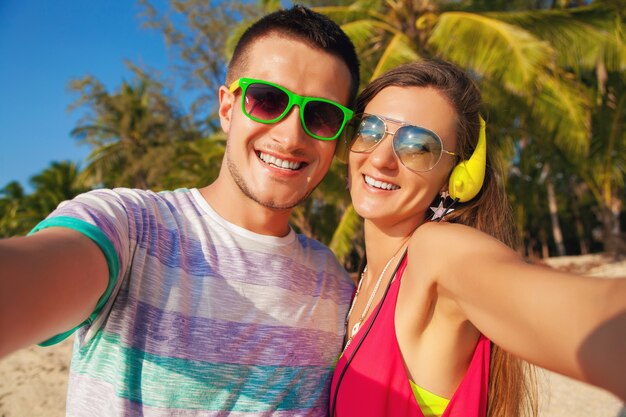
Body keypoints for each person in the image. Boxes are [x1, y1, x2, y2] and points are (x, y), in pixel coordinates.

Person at [0, 6, 359, 416]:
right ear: (228, 108)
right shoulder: (132, 228)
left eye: (321, 115)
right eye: (268, 100)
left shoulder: (336, 288)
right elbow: (32, 275)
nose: (291, 134)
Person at [329, 60, 626, 417]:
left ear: (458, 175)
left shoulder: (437, 253)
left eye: (420, 146)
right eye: (370, 130)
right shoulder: (354, 285)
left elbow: (601, 321)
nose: (380, 158)